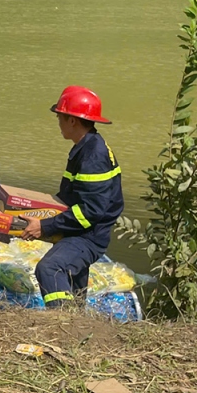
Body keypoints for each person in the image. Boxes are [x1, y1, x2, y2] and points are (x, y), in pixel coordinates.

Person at [21, 86, 123, 308]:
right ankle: (77, 322)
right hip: (81, 231)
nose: (58, 122)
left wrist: (46, 226)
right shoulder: (87, 147)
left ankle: (64, 324)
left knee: (50, 269)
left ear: (73, 121)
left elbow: (90, 211)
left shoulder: (93, 156)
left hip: (87, 236)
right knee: (74, 286)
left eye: (60, 116)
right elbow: (70, 197)